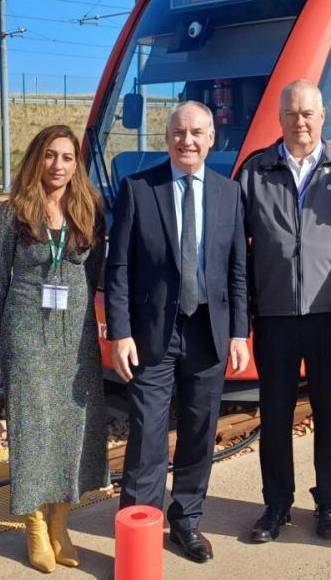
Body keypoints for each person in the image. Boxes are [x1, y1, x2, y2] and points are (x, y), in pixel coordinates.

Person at [105, 101, 249, 564]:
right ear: (167, 138)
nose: (187, 141)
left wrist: (239, 333)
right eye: (179, 132)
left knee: (199, 429)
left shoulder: (229, 193)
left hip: (209, 329)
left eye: (196, 133)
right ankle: (139, 533)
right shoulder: (139, 189)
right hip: (153, 333)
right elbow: (119, 268)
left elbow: (237, 270)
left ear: (211, 140)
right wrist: (120, 332)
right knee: (147, 434)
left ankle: (186, 519)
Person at [236, 80, 331, 542]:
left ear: (322, 117)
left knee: (329, 412)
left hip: (330, 316)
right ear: (280, 118)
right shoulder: (255, 171)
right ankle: (276, 504)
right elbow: (236, 249)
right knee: (275, 414)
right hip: (274, 317)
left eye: (308, 113)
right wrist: (245, 309)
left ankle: (328, 500)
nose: (300, 121)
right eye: (292, 113)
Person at [0, 125, 107, 573]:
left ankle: (60, 522)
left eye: (67, 157)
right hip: (27, 333)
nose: (58, 165)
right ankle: (34, 524)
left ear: (77, 164)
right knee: (32, 427)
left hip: (75, 335)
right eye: (51, 155)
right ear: (38, 158)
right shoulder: (13, 212)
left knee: (72, 425)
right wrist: (15, 331)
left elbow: (94, 271)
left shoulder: (89, 208)